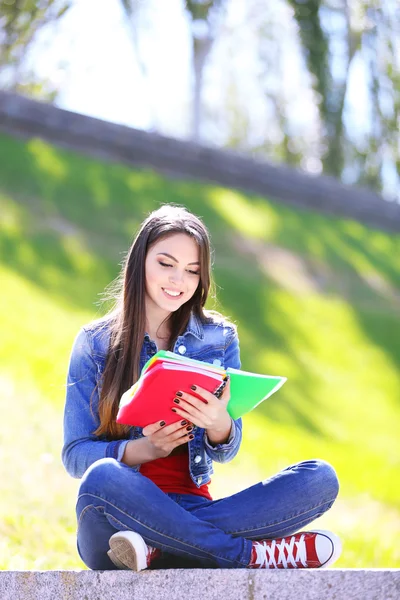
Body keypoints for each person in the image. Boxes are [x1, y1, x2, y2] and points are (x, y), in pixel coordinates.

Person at [62, 204, 341, 571]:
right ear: (140, 261)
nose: (179, 280)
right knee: (102, 478)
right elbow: (75, 455)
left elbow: (228, 449)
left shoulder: (219, 337)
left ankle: (161, 549)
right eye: (166, 264)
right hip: (118, 520)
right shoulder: (95, 343)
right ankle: (250, 556)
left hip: (197, 507)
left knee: (319, 478)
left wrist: (218, 423)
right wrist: (142, 449)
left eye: (192, 271)